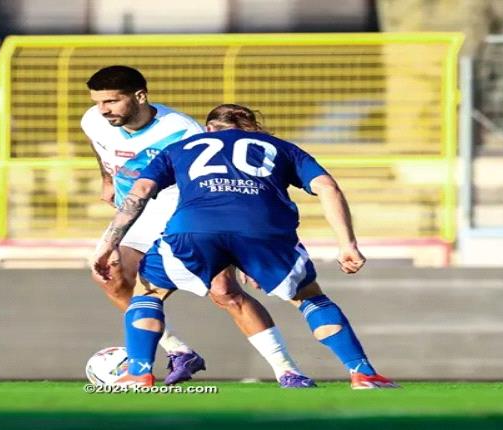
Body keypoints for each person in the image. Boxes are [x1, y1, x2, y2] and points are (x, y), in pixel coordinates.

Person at [93, 104, 398, 389]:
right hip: (264, 232)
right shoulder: (282, 148)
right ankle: (362, 372)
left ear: (209, 129)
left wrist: (109, 243)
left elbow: (140, 191)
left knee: (148, 292)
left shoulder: (180, 147)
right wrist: (348, 245)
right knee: (310, 299)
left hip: (194, 230)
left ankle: (139, 372)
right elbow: (327, 187)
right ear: (253, 127)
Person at [82, 66, 315, 387]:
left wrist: (236, 251)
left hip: (186, 213)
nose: (103, 110)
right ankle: (177, 351)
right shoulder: (93, 120)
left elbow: (225, 181)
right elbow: (100, 147)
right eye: (97, 102)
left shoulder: (182, 130)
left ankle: (287, 369)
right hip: (138, 212)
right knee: (109, 273)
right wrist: (107, 179)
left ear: (139, 96)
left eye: (111, 101)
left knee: (225, 293)